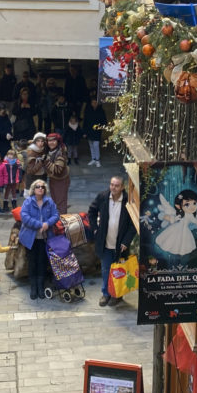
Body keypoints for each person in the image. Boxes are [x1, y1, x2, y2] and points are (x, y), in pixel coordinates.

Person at [86, 176, 137, 307]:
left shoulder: (127, 201)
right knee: (105, 269)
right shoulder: (103, 197)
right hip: (105, 242)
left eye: (116, 185)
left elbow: (133, 224)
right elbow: (91, 211)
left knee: (119, 270)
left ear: (122, 187)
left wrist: (126, 241)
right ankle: (106, 293)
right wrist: (95, 228)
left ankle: (117, 295)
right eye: (111, 184)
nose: (113, 188)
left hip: (120, 244)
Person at [18, 180, 59, 300]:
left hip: (44, 238)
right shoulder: (28, 202)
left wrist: (47, 224)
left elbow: (56, 215)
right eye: (38, 187)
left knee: (42, 262)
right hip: (31, 239)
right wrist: (39, 225)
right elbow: (24, 216)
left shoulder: (49, 201)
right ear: (33, 189)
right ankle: (33, 287)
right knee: (32, 262)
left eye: (42, 187)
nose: (40, 188)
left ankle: (40, 286)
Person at [45, 133, 71, 213]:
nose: (51, 143)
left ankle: (62, 223)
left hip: (61, 180)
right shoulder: (52, 151)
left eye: (53, 140)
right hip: (54, 179)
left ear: (58, 141)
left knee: (60, 204)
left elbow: (57, 170)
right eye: (49, 141)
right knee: (55, 202)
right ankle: (57, 222)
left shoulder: (60, 153)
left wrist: (46, 161)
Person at [84, 98, 107, 167]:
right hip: (89, 130)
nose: (94, 104)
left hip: (97, 130)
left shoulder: (101, 111)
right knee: (91, 145)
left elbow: (104, 120)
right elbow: (85, 122)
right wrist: (84, 132)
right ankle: (93, 159)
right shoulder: (88, 110)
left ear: (98, 103)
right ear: (91, 103)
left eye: (95, 102)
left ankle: (97, 160)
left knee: (96, 145)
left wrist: (103, 127)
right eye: (93, 102)